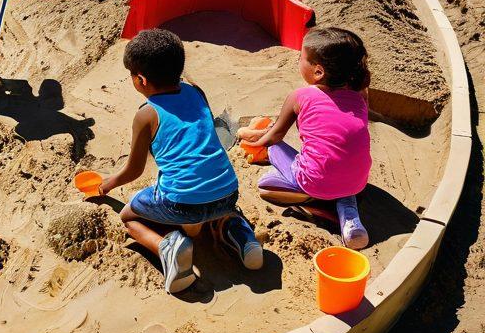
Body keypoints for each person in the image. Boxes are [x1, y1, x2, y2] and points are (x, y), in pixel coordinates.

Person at [99, 29, 263, 294]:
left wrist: (108, 184)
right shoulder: (197, 93)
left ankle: (168, 247)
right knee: (213, 206)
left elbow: (134, 170)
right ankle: (241, 235)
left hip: (181, 203)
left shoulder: (146, 115)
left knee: (129, 217)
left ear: (140, 79)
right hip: (228, 193)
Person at [238, 26, 372, 249]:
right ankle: (348, 211)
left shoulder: (300, 96)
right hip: (358, 182)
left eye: (302, 57)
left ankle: (319, 205)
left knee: (265, 185)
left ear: (318, 71)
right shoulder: (361, 94)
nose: (298, 61)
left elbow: (275, 136)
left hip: (315, 181)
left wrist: (251, 141)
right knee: (340, 170)